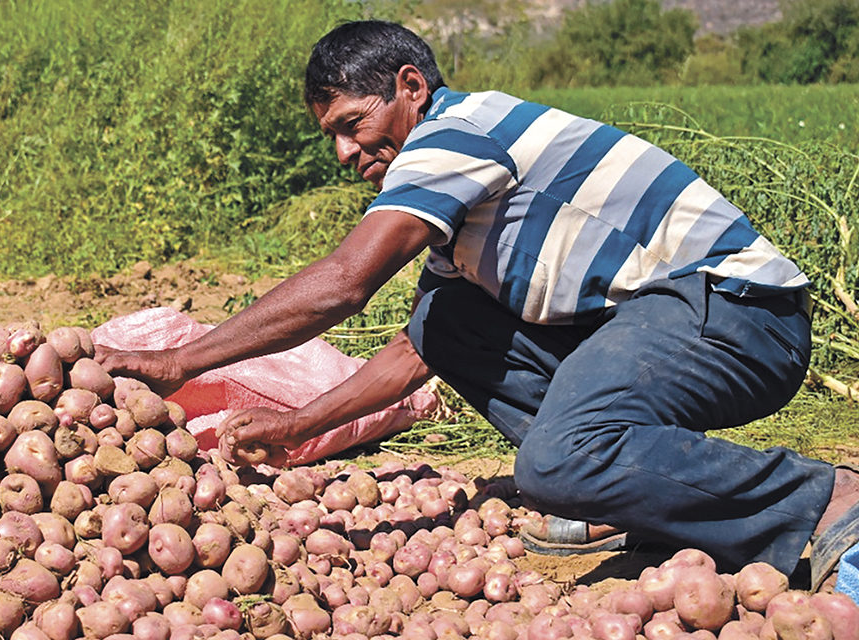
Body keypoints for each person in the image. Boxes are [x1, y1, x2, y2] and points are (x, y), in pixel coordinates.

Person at [98, 20, 859, 589]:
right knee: (447, 319)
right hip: (661, 320)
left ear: (410, 87)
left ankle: (824, 498)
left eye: (351, 126)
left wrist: (177, 362)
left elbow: (346, 281)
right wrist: (297, 429)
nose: (343, 154)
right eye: (330, 137)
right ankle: (630, 490)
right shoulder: (460, 187)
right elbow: (416, 349)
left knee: (556, 461)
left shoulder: (457, 133)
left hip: (734, 311)